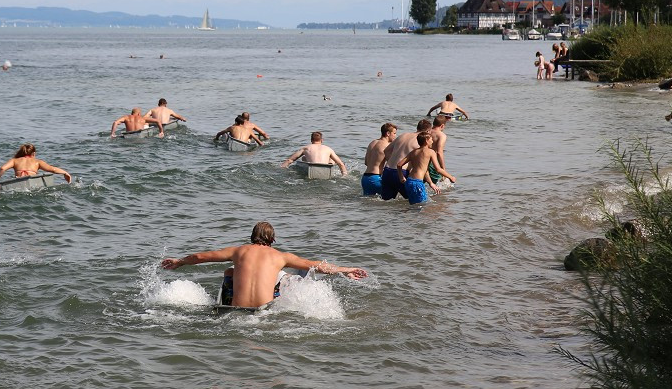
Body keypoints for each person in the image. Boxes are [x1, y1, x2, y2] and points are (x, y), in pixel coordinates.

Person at [161, 221, 367, 308]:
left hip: (236, 310)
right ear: (272, 240)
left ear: (252, 237)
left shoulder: (238, 251)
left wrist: (178, 262)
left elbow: (200, 257)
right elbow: (317, 266)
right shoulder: (280, 256)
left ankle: (222, 304)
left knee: (230, 271)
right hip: (263, 311)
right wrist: (345, 270)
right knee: (286, 277)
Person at [397, 131, 455, 205]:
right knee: (422, 205)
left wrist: (401, 177)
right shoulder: (431, 152)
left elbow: (399, 165)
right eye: (431, 139)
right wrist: (451, 177)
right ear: (426, 141)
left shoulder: (414, 152)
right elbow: (438, 169)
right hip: (417, 183)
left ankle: (406, 216)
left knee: (413, 205)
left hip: (409, 182)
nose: (432, 141)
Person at [381, 119, 432, 200]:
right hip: (402, 173)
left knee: (386, 203)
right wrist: (430, 183)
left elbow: (386, 151)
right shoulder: (420, 142)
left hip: (387, 171)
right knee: (415, 202)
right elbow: (422, 167)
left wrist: (392, 164)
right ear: (428, 131)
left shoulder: (403, 135)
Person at [0, 143, 72, 188]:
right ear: (33, 153)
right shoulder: (37, 162)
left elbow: (2, 168)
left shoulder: (14, 160)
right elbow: (53, 169)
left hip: (18, 183)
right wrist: (65, 173)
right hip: (32, 185)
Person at [281, 131, 348, 175]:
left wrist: (281, 169)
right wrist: (344, 175)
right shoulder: (328, 149)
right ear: (322, 140)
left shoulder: (306, 148)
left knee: (304, 158)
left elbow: (290, 160)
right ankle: (329, 164)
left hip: (311, 169)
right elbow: (340, 164)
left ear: (311, 140)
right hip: (325, 170)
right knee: (332, 160)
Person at [362, 123, 397, 195]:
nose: (395, 136)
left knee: (368, 203)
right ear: (388, 133)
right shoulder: (387, 146)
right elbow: (392, 164)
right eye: (394, 133)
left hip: (365, 178)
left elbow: (366, 162)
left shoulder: (372, 143)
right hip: (376, 178)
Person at [427, 115, 451, 185]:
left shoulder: (427, 131)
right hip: (432, 161)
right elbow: (439, 153)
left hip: (421, 158)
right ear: (442, 125)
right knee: (438, 183)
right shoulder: (441, 135)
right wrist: (443, 170)